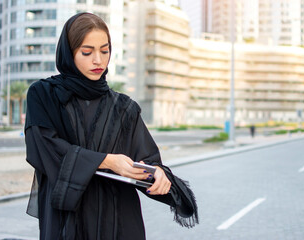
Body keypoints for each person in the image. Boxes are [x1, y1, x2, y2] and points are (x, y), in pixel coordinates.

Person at [25, 12, 198, 240]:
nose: (98, 60)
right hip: (67, 223)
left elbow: (147, 160)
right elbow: (44, 149)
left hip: (118, 222)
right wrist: (108, 161)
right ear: (69, 53)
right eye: (87, 52)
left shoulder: (125, 108)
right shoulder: (44, 95)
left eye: (104, 51)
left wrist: (158, 174)